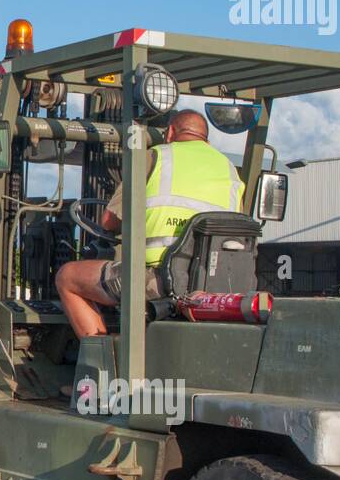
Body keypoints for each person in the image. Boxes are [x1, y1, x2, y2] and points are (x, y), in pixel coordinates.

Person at [55, 109, 244, 340]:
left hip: (159, 280)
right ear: (206, 139)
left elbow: (109, 220)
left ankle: (100, 361)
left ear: (171, 132)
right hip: (215, 283)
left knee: (67, 277)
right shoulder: (230, 170)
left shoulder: (155, 157)